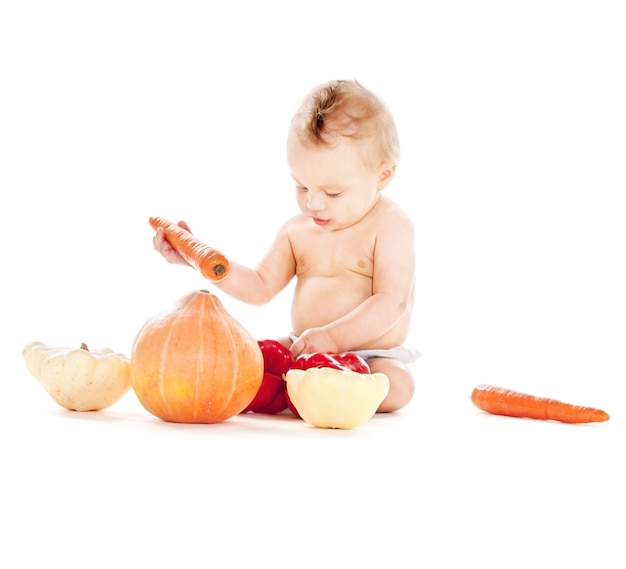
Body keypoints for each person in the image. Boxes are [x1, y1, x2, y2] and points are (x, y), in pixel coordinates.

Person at [152, 79, 418, 412]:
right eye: (302, 186)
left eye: (332, 193)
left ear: (383, 175)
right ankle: (306, 395)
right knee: (247, 360)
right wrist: (198, 261)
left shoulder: (389, 225)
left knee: (398, 385)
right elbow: (259, 287)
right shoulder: (297, 231)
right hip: (302, 347)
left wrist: (333, 340)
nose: (314, 204)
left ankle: (315, 396)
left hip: (369, 358)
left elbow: (392, 302)